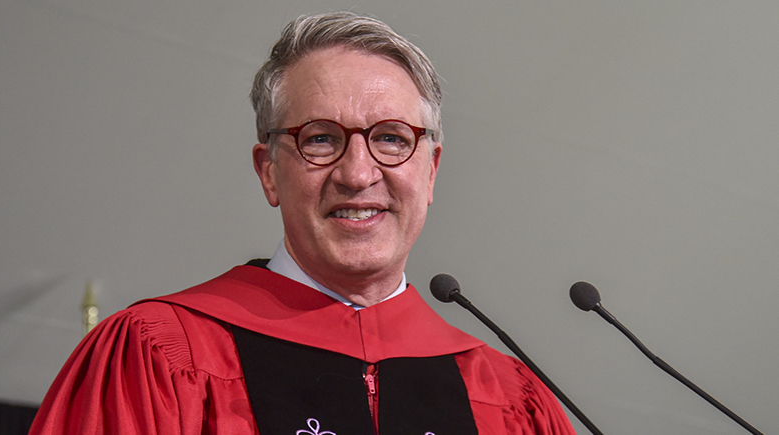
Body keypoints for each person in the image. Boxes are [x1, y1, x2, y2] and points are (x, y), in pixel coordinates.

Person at [29, 11, 577, 435]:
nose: (358, 173)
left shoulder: (511, 400)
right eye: (319, 138)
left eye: (391, 138)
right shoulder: (159, 357)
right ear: (269, 173)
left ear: (430, 172)